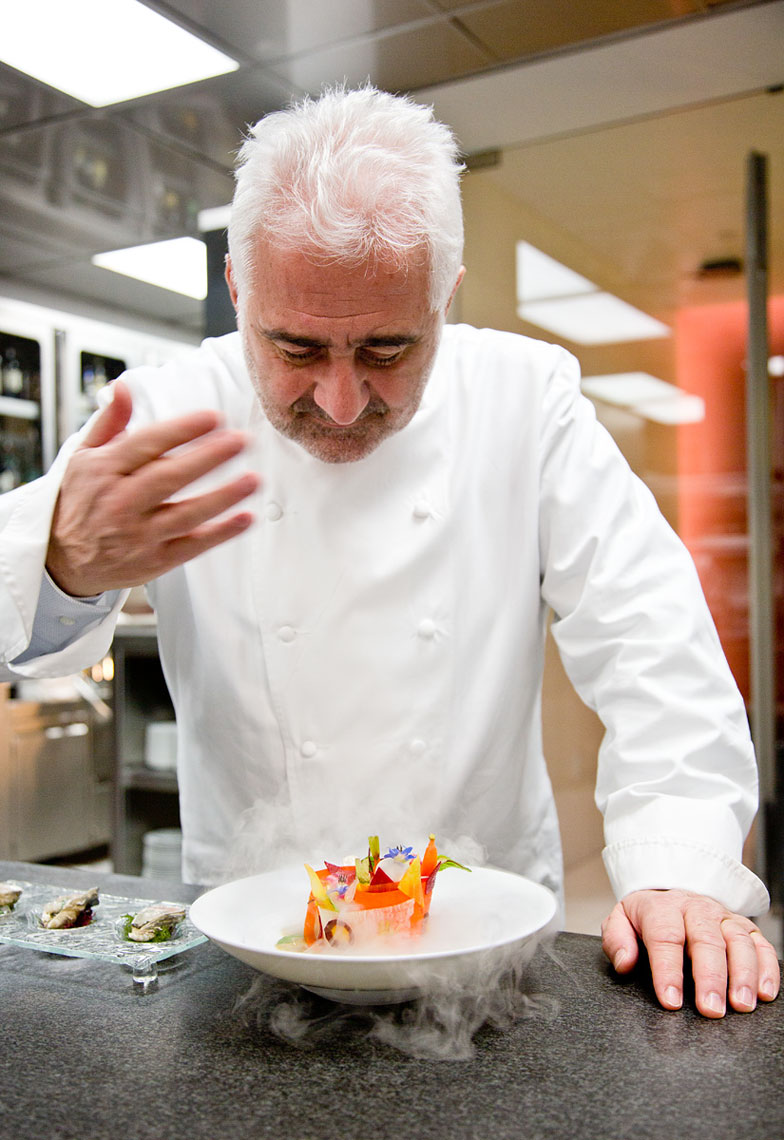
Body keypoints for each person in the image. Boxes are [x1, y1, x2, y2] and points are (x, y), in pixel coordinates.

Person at [0, 85, 779, 1019]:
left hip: (482, 939)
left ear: (444, 297)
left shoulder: (524, 400)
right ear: (239, 290)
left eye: (386, 350)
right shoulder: (167, 410)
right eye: (295, 348)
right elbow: (19, 616)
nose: (339, 402)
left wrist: (681, 866)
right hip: (248, 938)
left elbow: (650, 636)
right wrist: (62, 564)